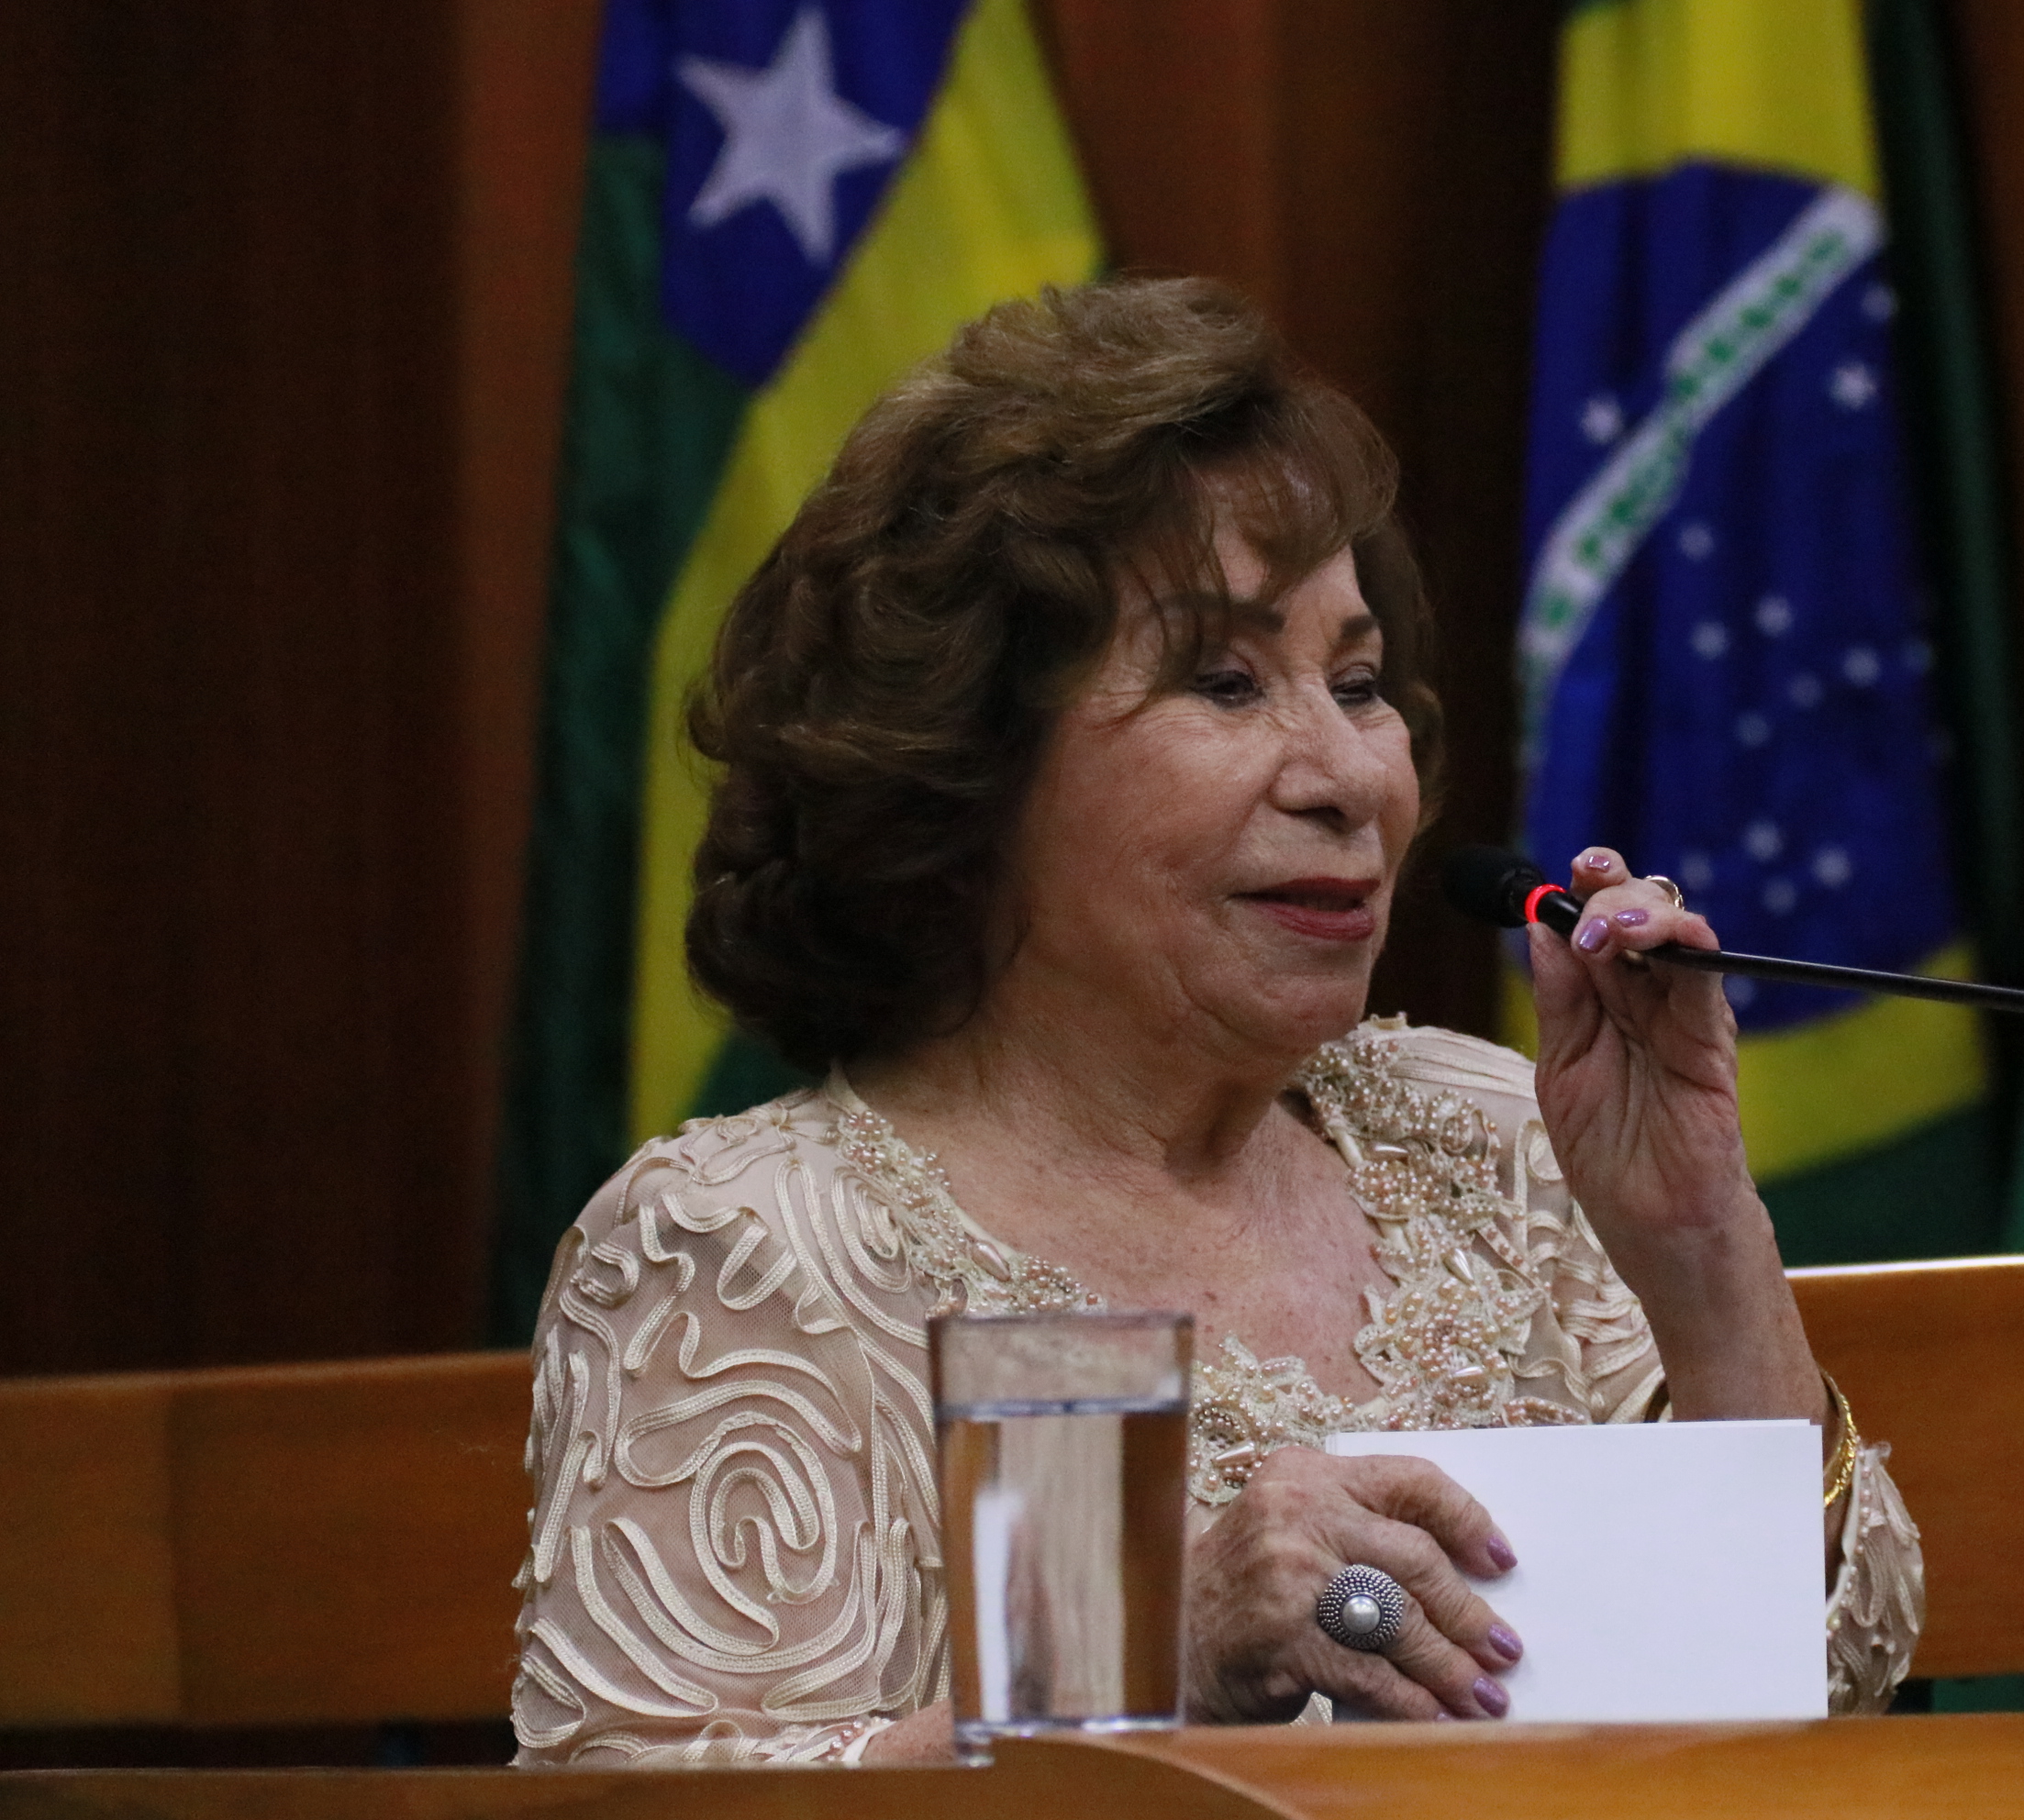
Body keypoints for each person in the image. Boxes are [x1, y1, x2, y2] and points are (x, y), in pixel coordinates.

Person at [510, 277, 1922, 1767]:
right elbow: (644, 1812)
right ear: (971, 764)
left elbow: (1827, 1692)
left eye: (1359, 683)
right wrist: (1151, 1649)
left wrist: (1701, 1243)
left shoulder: (1503, 1130)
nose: (1350, 777)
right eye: (1226, 682)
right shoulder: (742, 1245)